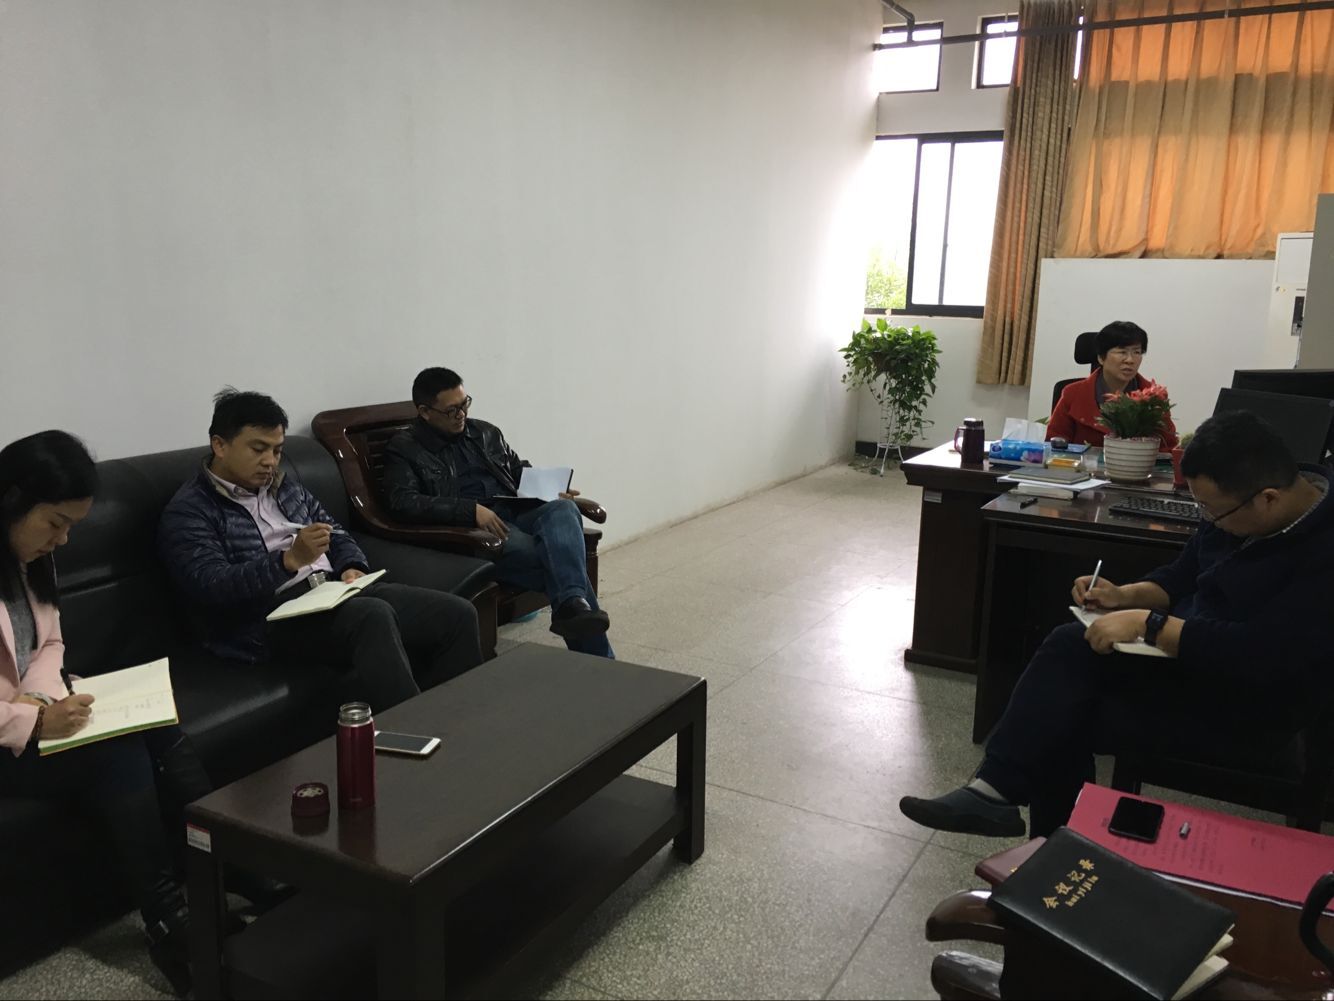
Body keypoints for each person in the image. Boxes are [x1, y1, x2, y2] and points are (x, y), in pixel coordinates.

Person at [899, 410, 1334, 839]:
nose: (1207, 519)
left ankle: (1034, 834)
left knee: (1063, 714)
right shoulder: (1238, 507)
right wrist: (1123, 595)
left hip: (1253, 706)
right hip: (1189, 660)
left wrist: (1150, 624)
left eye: (1212, 511)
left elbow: (1264, 653)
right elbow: (1182, 577)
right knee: (1069, 652)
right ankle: (1003, 802)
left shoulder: (1322, 550)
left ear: (1268, 498)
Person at [0, 431, 213, 995]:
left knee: (156, 725)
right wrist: (28, 721)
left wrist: (40, 698)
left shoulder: (28, 560)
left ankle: (225, 859)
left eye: (72, 526)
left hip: (31, 710)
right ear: (11, 499)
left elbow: (49, 645)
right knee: (116, 755)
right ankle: (167, 920)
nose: (63, 539)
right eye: (55, 523)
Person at [158, 390, 483, 709]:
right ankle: (415, 729)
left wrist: (351, 565)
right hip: (268, 620)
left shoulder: (283, 486)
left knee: (457, 614)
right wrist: (287, 562)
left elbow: (335, 532)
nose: (270, 461)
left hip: (331, 593)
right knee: (372, 616)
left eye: (277, 450)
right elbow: (211, 585)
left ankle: (460, 719)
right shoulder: (190, 511)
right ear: (220, 445)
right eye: (258, 449)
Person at [382, 367, 613, 659]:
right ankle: (594, 645)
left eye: (464, 404)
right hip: (473, 533)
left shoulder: (485, 432)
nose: (461, 415)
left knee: (564, 508)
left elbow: (517, 471)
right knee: (559, 563)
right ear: (425, 412)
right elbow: (402, 502)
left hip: (515, 511)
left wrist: (552, 488)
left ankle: (573, 604)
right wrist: (469, 510)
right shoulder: (405, 448)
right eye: (451, 410)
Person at [1046, 320, 1179, 449]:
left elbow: (1167, 448)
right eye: (1122, 352)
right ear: (1101, 358)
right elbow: (1054, 443)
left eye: (1137, 352)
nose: (1130, 360)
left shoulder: (1154, 397)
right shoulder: (1073, 393)